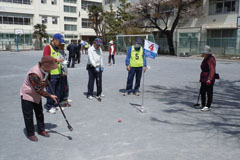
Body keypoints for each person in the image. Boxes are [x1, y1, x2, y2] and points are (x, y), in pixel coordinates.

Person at [20, 56, 58, 141]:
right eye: (50, 68)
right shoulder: (33, 74)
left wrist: (46, 83)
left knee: (39, 113)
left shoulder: (46, 71)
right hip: (27, 95)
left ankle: (41, 130)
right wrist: (50, 96)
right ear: (45, 66)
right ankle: (30, 133)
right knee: (28, 116)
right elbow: (38, 90)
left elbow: (45, 82)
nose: (51, 69)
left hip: (36, 96)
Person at [43, 33, 65, 114]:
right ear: (55, 40)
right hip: (51, 74)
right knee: (51, 91)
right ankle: (49, 106)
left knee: (58, 90)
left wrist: (62, 70)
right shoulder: (48, 47)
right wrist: (56, 60)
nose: (60, 44)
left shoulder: (57, 48)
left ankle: (56, 105)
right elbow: (45, 59)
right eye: (59, 42)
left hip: (58, 73)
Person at [199, 45, 216, 111]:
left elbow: (212, 69)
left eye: (203, 53)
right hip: (204, 76)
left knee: (209, 91)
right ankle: (203, 104)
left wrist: (210, 79)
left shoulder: (211, 59)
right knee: (202, 91)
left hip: (209, 77)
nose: (202, 54)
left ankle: (208, 106)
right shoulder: (205, 58)